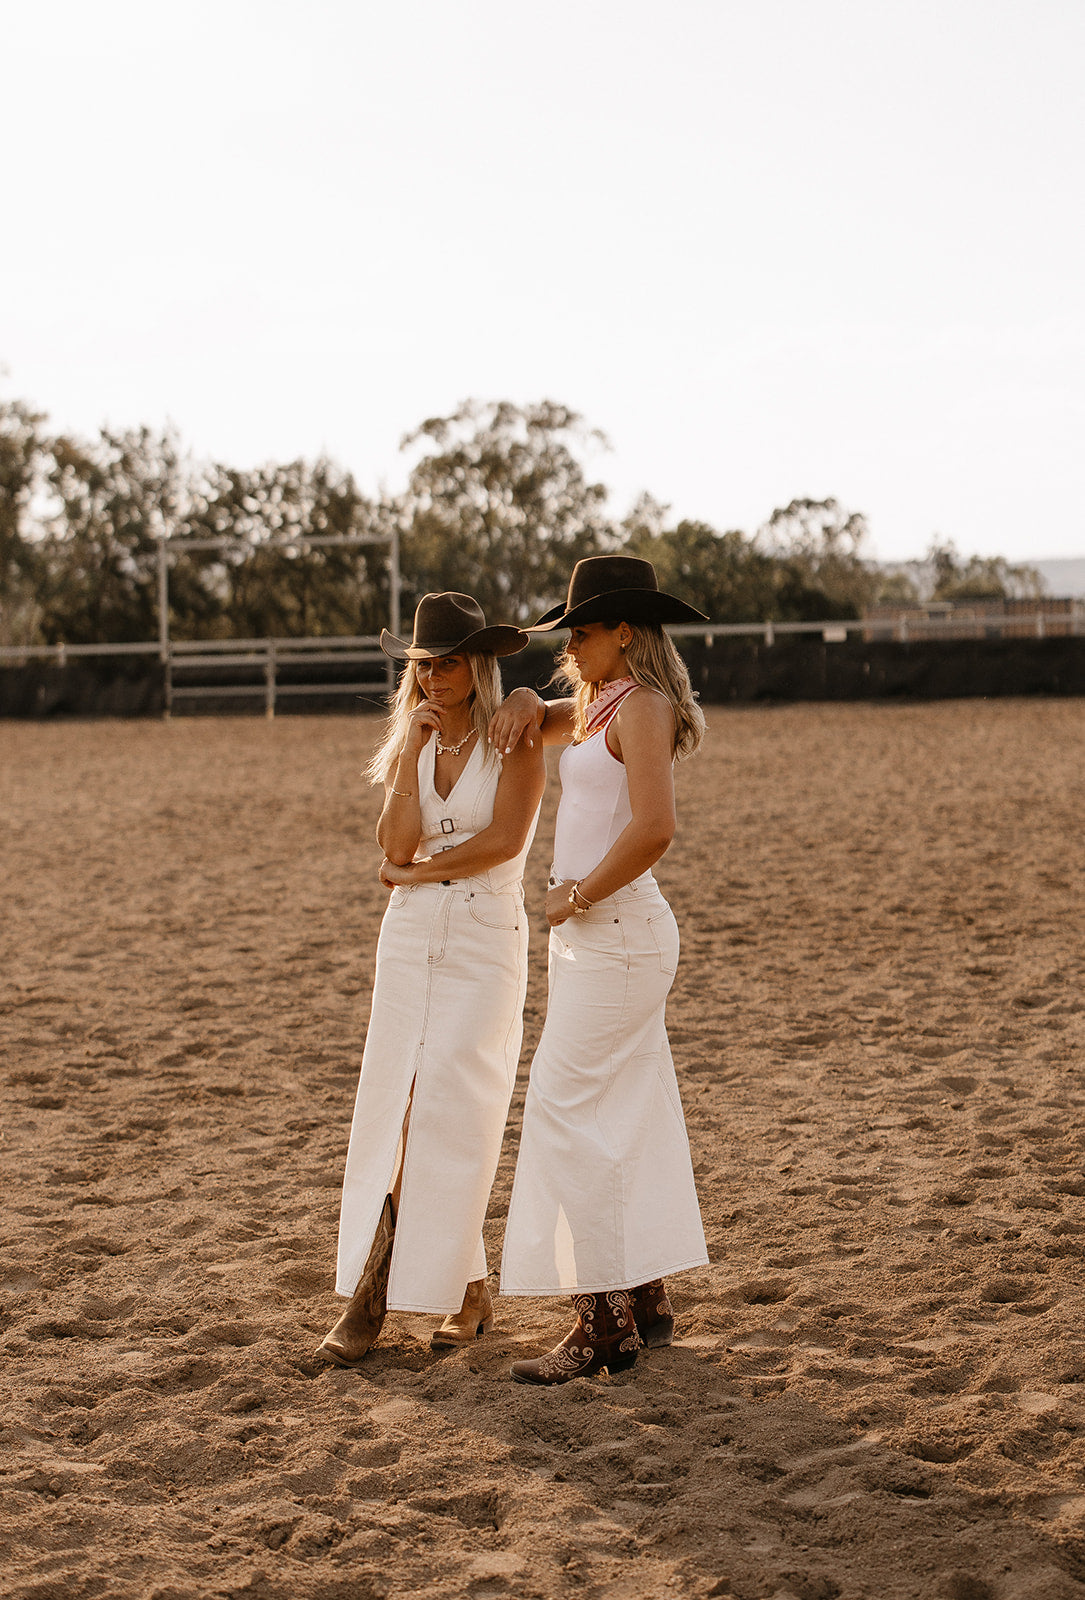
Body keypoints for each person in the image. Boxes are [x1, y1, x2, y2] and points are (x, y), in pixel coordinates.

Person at [488, 555, 709, 1385]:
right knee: (625, 1105)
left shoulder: (643, 707)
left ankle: (602, 1323)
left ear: (624, 633)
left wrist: (573, 894)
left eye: (580, 634)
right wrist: (518, 698)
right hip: (603, 939)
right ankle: (643, 1300)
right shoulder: (596, 703)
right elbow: (546, 718)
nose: (569, 647)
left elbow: (655, 828)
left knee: (560, 1109)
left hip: (613, 930)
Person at [316, 592, 545, 1367]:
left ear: (476, 665)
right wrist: (410, 758)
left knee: (456, 1107)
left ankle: (384, 1301)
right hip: (410, 939)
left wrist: (414, 876)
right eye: (423, 665)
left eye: (448, 663)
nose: (435, 678)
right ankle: (461, 1288)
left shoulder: (513, 736)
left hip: (483, 934)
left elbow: (505, 841)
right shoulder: (410, 740)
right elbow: (393, 839)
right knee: (398, 1102)